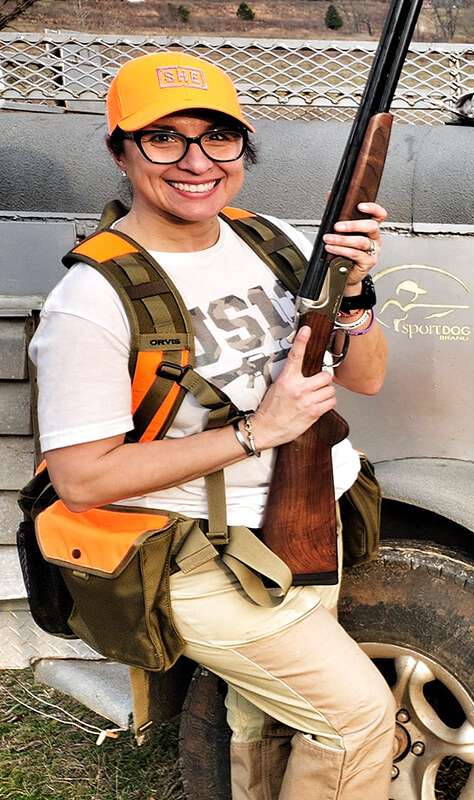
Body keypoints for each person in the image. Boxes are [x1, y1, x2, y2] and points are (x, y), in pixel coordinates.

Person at [29, 53, 395, 798]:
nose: (196, 162)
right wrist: (256, 432)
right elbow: (81, 478)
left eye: (218, 137)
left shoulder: (270, 239)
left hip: (306, 523)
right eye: (163, 138)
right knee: (356, 720)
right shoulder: (92, 299)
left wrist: (355, 293)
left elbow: (367, 376)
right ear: (121, 152)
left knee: (266, 721)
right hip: (201, 555)